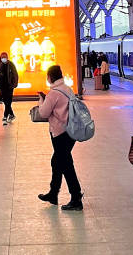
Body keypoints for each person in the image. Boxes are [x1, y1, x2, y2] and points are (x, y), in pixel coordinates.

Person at [36, 65, 83, 211]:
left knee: (66, 164)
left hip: (60, 133)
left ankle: (76, 198)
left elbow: (43, 113)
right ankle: (53, 193)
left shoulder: (53, 93)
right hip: (71, 131)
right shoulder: (67, 89)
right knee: (57, 161)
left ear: (50, 77)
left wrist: (41, 100)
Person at [0, 51, 19, 125]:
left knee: (8, 101)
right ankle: (11, 115)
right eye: (2, 57)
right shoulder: (0, 65)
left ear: (7, 57)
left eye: (4, 57)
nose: (3, 58)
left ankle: (5, 116)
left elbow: (15, 74)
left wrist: (14, 84)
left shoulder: (11, 64)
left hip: (9, 86)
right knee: (6, 102)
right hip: (3, 87)